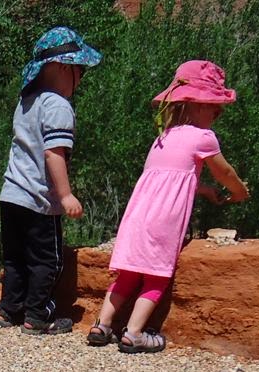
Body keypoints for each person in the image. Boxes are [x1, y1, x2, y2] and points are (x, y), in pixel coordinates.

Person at [86, 60, 250, 354]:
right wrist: (239, 191)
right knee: (157, 275)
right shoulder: (204, 138)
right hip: (164, 221)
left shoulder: (164, 137)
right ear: (195, 105)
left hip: (137, 215)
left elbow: (169, 179)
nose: (217, 114)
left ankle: (102, 324)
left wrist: (202, 190)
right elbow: (224, 172)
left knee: (128, 273)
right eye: (214, 107)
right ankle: (134, 333)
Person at [0, 26, 102, 336]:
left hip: (11, 195)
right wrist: (65, 195)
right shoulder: (58, 105)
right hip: (39, 200)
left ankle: (8, 310)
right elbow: (54, 152)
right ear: (63, 68)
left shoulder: (26, 101)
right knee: (47, 261)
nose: (81, 79)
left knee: (15, 258)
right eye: (80, 71)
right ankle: (38, 315)